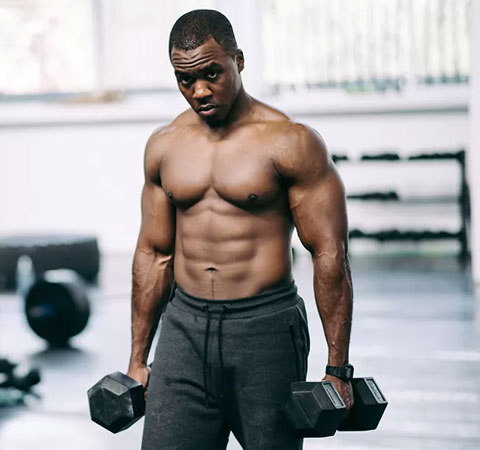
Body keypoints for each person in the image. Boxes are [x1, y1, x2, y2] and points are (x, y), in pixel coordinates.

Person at [128, 9, 354, 450]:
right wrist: (137, 359)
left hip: (265, 330)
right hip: (184, 330)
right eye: (184, 79)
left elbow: (330, 254)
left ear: (240, 60)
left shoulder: (290, 142)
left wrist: (338, 368)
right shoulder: (164, 146)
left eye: (212, 73)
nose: (199, 90)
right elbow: (153, 254)